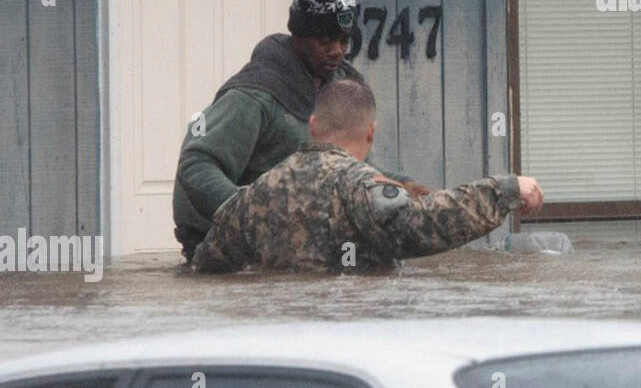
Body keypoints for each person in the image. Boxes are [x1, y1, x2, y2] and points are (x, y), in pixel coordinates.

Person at [173, 0, 429, 262]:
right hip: (229, 250)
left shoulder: (339, 87)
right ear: (299, 37)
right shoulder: (256, 94)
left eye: (344, 41)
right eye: (325, 41)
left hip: (301, 244)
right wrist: (247, 215)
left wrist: (402, 184)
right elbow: (197, 162)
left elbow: (354, 167)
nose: (337, 51)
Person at [193, 78, 544, 272]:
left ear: (312, 126)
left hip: (283, 355)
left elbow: (206, 264)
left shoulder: (253, 196)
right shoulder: (360, 188)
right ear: (371, 133)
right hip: (352, 345)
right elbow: (426, 224)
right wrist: (506, 189)